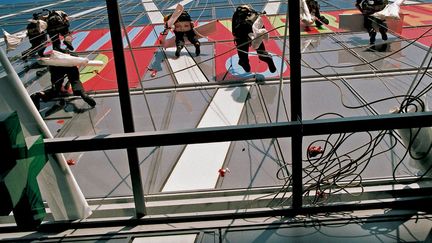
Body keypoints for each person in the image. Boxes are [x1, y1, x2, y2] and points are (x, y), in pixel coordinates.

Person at [231, 5, 276, 73]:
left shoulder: (237, 13)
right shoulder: (253, 13)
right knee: (262, 53)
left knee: (243, 57)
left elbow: (234, 28)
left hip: (242, 35)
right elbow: (261, 25)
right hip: (255, 33)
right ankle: (266, 57)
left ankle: (244, 63)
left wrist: (235, 36)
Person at [31, 65, 96, 110]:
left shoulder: (57, 58)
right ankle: (82, 94)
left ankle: (40, 94)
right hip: (70, 66)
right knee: (75, 80)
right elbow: (76, 67)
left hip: (55, 67)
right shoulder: (71, 57)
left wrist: (60, 88)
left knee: (57, 87)